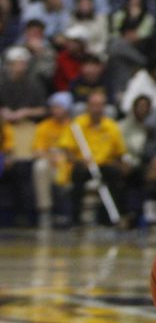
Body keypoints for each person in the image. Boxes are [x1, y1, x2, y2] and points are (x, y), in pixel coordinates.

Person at [58, 91, 126, 226]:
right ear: (88, 106)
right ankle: (74, 218)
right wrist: (79, 161)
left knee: (115, 175)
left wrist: (118, 164)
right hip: (82, 164)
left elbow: (119, 153)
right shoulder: (77, 124)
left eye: (100, 105)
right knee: (77, 174)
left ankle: (108, 218)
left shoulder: (112, 127)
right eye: (93, 105)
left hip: (104, 164)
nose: (96, 109)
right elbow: (67, 149)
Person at [32, 91, 73, 224]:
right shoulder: (44, 126)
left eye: (59, 107)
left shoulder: (74, 126)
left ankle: (66, 214)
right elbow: (37, 151)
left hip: (69, 164)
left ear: (67, 108)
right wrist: (51, 157)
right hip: (50, 163)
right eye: (53, 107)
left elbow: (78, 151)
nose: (56, 110)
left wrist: (64, 157)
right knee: (40, 166)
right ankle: (45, 210)